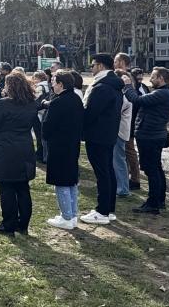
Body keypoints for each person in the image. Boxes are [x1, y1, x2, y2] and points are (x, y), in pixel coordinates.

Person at [0, 72, 38, 235]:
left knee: (7, 186)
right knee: (23, 187)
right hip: (24, 146)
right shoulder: (31, 104)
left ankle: (8, 222)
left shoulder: (2, 104)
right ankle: (23, 223)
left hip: (6, 148)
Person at [122, 67, 169, 215]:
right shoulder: (166, 92)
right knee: (156, 168)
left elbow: (137, 100)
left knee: (152, 170)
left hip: (150, 136)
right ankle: (159, 200)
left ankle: (153, 203)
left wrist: (127, 85)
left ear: (161, 79)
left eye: (153, 77)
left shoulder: (162, 93)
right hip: (153, 135)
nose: (150, 80)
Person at [79, 54, 123, 225]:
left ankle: (102, 210)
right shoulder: (113, 84)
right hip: (108, 134)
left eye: (92, 65)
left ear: (101, 66)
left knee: (102, 173)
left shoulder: (102, 87)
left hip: (97, 135)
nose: (91, 68)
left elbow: (91, 113)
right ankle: (109, 209)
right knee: (108, 171)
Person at [43, 70, 84, 230]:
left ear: (60, 84)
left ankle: (66, 216)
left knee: (61, 181)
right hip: (72, 144)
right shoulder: (75, 98)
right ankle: (72, 215)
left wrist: (46, 135)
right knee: (71, 180)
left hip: (59, 145)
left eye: (53, 81)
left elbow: (47, 126)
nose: (51, 84)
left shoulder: (58, 102)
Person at [125, 67, 149, 191]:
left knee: (130, 151)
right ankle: (133, 175)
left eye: (141, 77)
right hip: (135, 123)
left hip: (132, 123)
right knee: (131, 151)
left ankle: (135, 179)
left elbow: (136, 103)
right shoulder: (143, 87)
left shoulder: (138, 88)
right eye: (138, 77)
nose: (140, 79)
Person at [113, 69, 134, 198]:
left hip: (119, 131)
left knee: (119, 160)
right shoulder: (123, 93)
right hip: (119, 130)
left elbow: (117, 110)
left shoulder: (125, 95)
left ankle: (123, 188)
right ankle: (120, 186)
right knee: (117, 159)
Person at [31, 71, 50, 163]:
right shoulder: (48, 86)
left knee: (39, 135)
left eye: (34, 78)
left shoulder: (39, 87)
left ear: (38, 78)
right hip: (45, 112)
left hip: (39, 113)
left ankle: (40, 155)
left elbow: (35, 100)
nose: (33, 80)